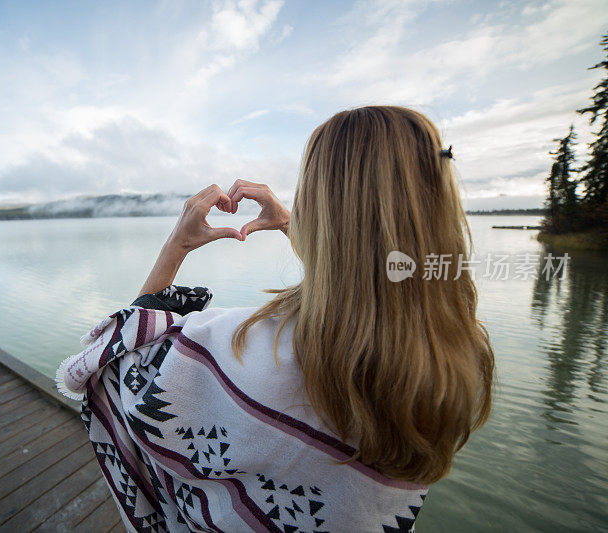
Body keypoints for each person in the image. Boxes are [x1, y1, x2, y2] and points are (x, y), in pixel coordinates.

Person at [56, 105, 495, 532]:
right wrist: (292, 226)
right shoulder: (458, 353)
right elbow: (368, 285)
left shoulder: (243, 353)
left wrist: (176, 245)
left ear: (319, 206)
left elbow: (117, 362)